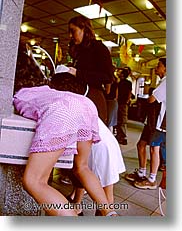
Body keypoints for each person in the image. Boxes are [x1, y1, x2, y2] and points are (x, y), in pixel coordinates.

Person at [13, 48, 118, 216]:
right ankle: (110, 214)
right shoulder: (47, 89)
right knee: (82, 167)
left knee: (34, 181)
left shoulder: (21, 94)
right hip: (86, 105)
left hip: (63, 110)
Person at [50, 72, 126, 215]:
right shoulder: (82, 102)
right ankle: (78, 205)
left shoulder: (66, 107)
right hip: (107, 144)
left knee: (106, 200)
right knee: (89, 178)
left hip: (100, 149)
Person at [67, 15, 114, 124]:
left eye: (73, 31)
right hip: (79, 97)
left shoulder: (99, 48)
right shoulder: (79, 51)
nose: (70, 35)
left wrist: (78, 73)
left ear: (84, 29)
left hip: (94, 98)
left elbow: (107, 77)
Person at [134, 58, 166, 189]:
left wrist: (150, 93)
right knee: (141, 144)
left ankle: (152, 179)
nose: (156, 68)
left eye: (159, 66)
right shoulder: (162, 82)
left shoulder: (167, 82)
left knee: (154, 149)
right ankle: (142, 172)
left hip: (160, 122)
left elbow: (152, 99)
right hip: (152, 121)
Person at [116, 68, 132, 145]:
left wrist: (127, 100)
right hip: (121, 102)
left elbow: (129, 92)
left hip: (122, 102)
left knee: (122, 119)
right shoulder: (121, 82)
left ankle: (123, 136)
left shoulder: (123, 83)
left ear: (123, 74)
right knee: (120, 119)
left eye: (120, 73)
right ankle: (119, 135)